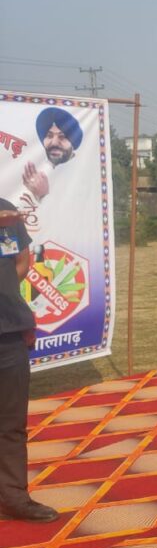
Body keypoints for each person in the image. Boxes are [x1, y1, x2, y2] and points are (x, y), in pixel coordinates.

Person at [0, 203, 58, 524]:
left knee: (10, 423)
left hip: (9, 331)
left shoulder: (5, 212)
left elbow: (22, 260)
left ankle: (13, 497)